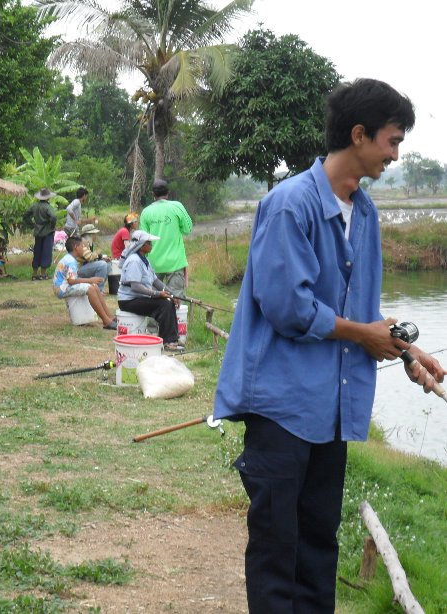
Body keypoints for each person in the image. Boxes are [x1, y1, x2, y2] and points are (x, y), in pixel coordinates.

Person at [213, 78, 445, 613]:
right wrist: (363, 334)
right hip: (281, 405)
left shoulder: (363, 212)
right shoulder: (291, 204)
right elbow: (287, 306)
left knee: (318, 543)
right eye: (392, 140)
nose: (395, 153)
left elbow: (361, 308)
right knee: (278, 544)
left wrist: (406, 351)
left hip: (331, 409)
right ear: (359, 135)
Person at [117, 230, 182, 351]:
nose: (151, 246)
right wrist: (157, 294)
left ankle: (172, 338)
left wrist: (172, 295)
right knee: (164, 305)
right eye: (149, 243)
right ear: (142, 245)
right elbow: (135, 286)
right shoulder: (134, 261)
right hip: (128, 300)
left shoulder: (144, 261)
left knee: (169, 302)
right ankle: (168, 341)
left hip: (138, 298)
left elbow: (156, 282)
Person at [139, 180, 192, 303]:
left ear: (153, 194)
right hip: (175, 262)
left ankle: (155, 322)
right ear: (168, 193)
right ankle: (177, 321)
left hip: (153, 263)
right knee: (176, 299)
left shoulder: (146, 212)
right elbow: (188, 229)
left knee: (154, 299)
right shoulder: (177, 206)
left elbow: (143, 239)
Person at [53, 236, 117, 330]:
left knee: (94, 286)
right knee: (90, 288)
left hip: (64, 286)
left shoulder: (70, 258)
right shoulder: (71, 261)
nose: (84, 249)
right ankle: (106, 321)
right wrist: (90, 280)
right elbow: (71, 281)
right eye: (82, 246)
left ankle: (109, 317)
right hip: (61, 289)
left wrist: (91, 282)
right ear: (76, 247)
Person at [23, 187, 58, 280]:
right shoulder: (48, 207)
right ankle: (43, 274)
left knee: (37, 252)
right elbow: (53, 217)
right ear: (48, 198)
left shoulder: (34, 206)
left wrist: (32, 225)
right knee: (46, 252)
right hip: (47, 232)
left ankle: (34, 274)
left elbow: (25, 215)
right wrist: (52, 226)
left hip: (37, 231)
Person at [75, 223, 110, 291]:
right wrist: (98, 252)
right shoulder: (82, 242)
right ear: (89, 234)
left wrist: (102, 257)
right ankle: (98, 290)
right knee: (102, 264)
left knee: (108, 264)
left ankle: (99, 288)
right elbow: (89, 257)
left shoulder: (88, 242)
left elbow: (90, 257)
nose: (95, 235)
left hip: (85, 266)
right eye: (94, 234)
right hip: (78, 270)